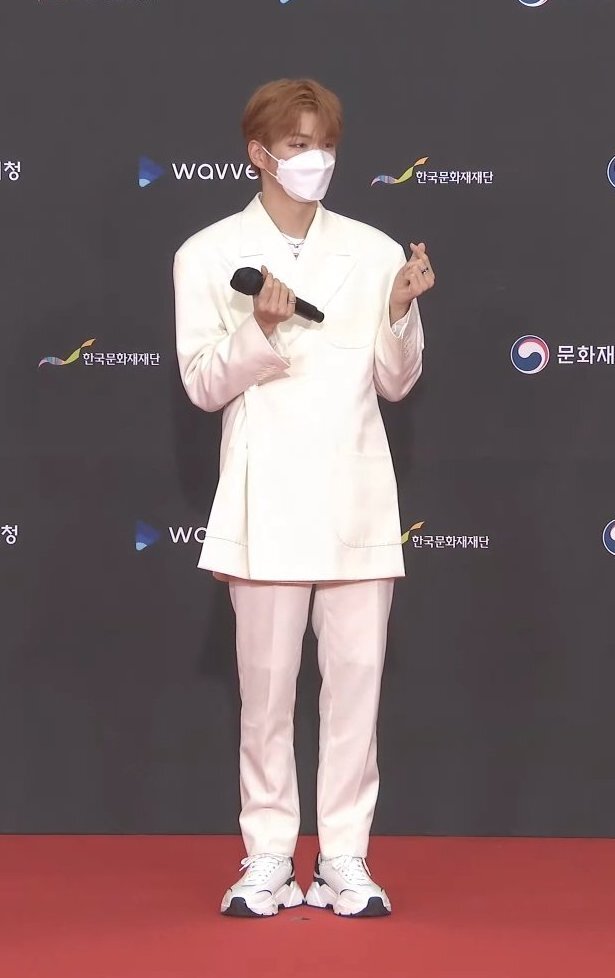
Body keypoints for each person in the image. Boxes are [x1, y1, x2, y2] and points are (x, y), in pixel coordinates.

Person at [174, 78, 435, 918]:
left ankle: (344, 858)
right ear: (259, 153)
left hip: (357, 495)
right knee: (266, 694)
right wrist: (260, 329)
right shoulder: (207, 252)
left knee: (355, 689)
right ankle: (267, 859)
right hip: (267, 501)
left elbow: (396, 382)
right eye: (296, 146)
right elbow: (202, 384)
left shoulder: (374, 250)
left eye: (323, 146)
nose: (314, 160)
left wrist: (399, 312)